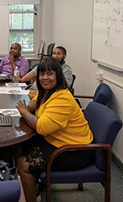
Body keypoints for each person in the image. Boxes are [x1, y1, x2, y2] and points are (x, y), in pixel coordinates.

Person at [15, 57, 94, 202]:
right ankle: (31, 187)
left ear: (58, 75)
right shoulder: (47, 91)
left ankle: (32, 197)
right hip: (58, 140)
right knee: (17, 146)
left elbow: (42, 127)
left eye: (50, 74)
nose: (45, 78)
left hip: (75, 150)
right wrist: (28, 108)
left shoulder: (62, 97)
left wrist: (24, 111)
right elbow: (35, 101)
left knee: (23, 163)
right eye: (42, 74)